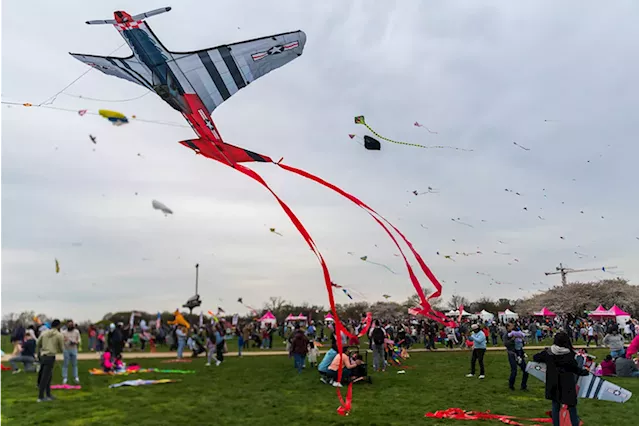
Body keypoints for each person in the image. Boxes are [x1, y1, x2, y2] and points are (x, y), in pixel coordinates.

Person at [533, 331, 589, 426]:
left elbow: (535, 357)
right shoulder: (569, 355)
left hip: (553, 382)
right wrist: (585, 372)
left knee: (555, 405)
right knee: (571, 406)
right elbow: (575, 369)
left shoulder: (548, 353)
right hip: (567, 383)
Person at [35, 319, 64, 402]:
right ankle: (40, 397)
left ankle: (48, 394)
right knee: (45, 377)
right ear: (58, 326)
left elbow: (38, 343)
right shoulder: (59, 335)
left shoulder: (44, 333)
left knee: (48, 376)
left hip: (43, 355)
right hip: (50, 356)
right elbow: (62, 348)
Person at [504, 323, 529, 391]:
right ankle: (511, 386)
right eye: (511, 325)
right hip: (512, 354)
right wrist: (512, 339)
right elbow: (506, 344)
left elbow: (522, 345)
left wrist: (522, 341)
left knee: (526, 370)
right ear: (507, 327)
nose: (513, 326)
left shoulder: (517, 332)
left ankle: (523, 386)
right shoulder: (506, 335)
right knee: (514, 371)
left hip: (520, 353)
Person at [62, 320, 81, 385]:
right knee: (65, 364)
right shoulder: (64, 332)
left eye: (71, 324)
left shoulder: (76, 332)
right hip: (66, 349)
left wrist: (76, 342)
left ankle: (75, 377)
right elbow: (61, 340)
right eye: (69, 325)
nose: (70, 326)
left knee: (74, 364)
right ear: (67, 325)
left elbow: (79, 340)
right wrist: (64, 340)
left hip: (74, 349)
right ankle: (65, 377)